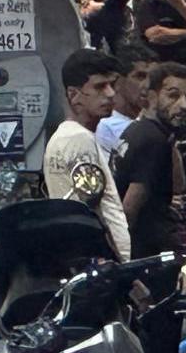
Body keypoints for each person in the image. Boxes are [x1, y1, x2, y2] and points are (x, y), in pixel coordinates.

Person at [47, 49, 131, 259]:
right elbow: (95, 213)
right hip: (101, 262)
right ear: (74, 95)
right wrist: (121, 263)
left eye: (112, 85)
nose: (111, 93)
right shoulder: (79, 140)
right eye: (100, 87)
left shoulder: (65, 137)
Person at [114, 63, 186, 259]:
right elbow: (129, 210)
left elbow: (178, 186)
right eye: (173, 95)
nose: (184, 105)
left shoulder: (140, 130)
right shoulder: (153, 140)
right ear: (151, 96)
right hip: (145, 254)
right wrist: (123, 262)